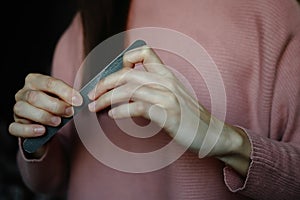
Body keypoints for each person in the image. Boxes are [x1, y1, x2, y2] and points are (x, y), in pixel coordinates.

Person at [8, 0, 300, 199]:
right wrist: (37, 139)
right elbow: (51, 183)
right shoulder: (90, 19)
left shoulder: (275, 14)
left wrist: (221, 138)